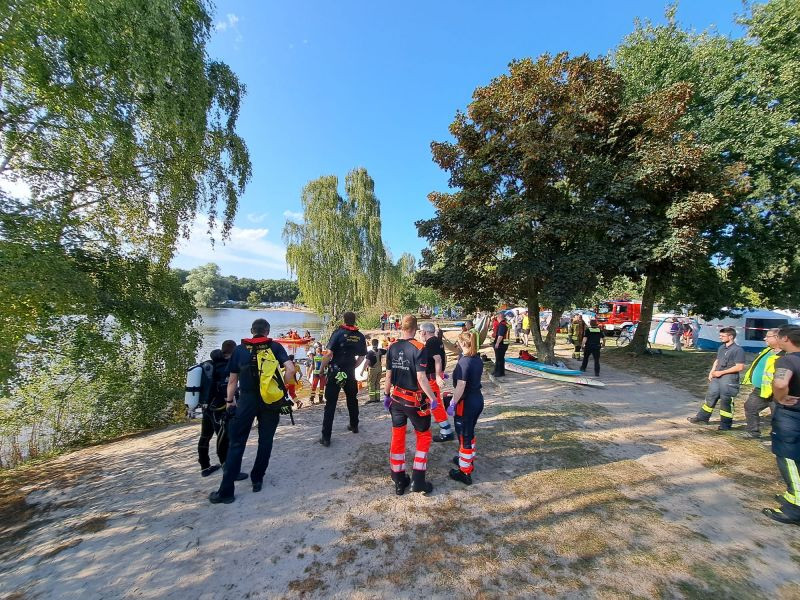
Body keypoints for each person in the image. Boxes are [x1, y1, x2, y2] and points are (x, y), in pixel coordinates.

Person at [209, 319, 296, 504]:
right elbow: (290, 368)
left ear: (251, 331)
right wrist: (285, 388)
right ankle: (257, 479)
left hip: (247, 400)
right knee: (265, 441)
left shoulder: (240, 350)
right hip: (270, 401)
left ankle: (226, 492)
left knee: (236, 443)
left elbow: (232, 381)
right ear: (267, 331)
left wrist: (229, 402)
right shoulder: (275, 347)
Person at [383, 314, 438, 495]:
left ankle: (398, 479)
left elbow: (388, 376)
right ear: (415, 329)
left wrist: (386, 395)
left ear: (401, 327)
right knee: (424, 436)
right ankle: (418, 480)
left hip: (396, 399)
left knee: (397, 437)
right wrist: (433, 398)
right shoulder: (420, 348)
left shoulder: (392, 347)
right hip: (415, 402)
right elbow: (421, 377)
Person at [761, 325, 800, 525]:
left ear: (785, 339)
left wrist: (780, 398)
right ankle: (792, 495)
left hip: (791, 415)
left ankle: (796, 507)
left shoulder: (787, 360)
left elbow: (780, 383)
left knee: (789, 458)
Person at [198, 341, 247, 479]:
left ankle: (205, 466)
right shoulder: (226, 367)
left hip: (207, 407)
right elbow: (227, 388)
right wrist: (231, 403)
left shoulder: (210, 364)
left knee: (205, 436)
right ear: (233, 351)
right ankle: (228, 469)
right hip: (220, 409)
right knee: (224, 439)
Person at [319, 311, 367, 446]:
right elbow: (362, 357)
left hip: (335, 372)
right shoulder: (359, 336)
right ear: (354, 320)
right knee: (352, 399)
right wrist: (353, 366)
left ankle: (326, 437)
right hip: (349, 373)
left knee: (331, 404)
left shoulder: (338, 333)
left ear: (344, 320)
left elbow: (328, 354)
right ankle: (354, 425)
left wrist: (321, 369)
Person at [687, 327, 746, 430]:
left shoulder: (738, 350)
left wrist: (722, 372)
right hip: (717, 377)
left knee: (726, 401)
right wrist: (712, 372)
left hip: (729, 379)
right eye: (720, 335)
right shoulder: (721, 347)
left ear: (731, 336)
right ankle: (702, 418)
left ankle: (725, 425)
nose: (720, 337)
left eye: (723, 336)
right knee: (710, 396)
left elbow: (739, 367)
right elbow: (717, 360)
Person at [449, 331, 485, 485]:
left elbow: (462, 385)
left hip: (467, 402)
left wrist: (452, 402)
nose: (457, 345)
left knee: (464, 435)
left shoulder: (464, 362)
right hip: (477, 398)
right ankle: (467, 459)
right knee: (470, 432)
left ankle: (465, 472)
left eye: (458, 343)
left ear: (463, 343)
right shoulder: (477, 359)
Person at [742, 329, 782, 439]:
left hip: (776, 392)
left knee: (778, 416)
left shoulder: (785, 355)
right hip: (760, 389)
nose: (765, 338)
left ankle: (778, 437)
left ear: (777, 338)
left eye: (767, 336)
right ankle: (753, 432)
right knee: (750, 407)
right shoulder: (767, 350)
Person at [420, 322, 455, 442]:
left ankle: (446, 431)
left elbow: (438, 359)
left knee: (435, 403)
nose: (420, 334)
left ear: (424, 332)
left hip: (431, 378)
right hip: (432, 376)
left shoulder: (431, 342)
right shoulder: (437, 341)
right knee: (432, 402)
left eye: (420, 331)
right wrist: (440, 373)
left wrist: (438, 376)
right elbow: (442, 357)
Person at [360, 338, 386, 404]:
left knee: (371, 384)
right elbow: (388, 351)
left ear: (372, 344)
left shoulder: (370, 353)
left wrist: (362, 371)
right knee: (377, 383)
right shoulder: (380, 351)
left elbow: (366, 362)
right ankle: (377, 398)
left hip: (373, 370)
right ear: (378, 344)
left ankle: (372, 399)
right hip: (379, 369)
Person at [492, 312, 510, 377]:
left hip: (501, 344)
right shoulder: (505, 324)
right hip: (504, 344)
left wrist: (497, 343)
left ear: (499, 317)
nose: (496, 318)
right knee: (500, 358)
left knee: (499, 359)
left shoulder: (502, 325)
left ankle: (499, 373)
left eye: (497, 317)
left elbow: (500, 335)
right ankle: (497, 371)